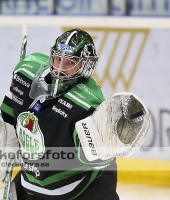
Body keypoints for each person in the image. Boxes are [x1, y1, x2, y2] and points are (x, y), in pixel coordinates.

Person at [0, 28, 120, 200]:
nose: (60, 69)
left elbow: (96, 155)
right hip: (36, 177)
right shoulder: (25, 74)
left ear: (86, 66)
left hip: (83, 184)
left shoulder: (89, 104)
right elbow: (7, 119)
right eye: (58, 59)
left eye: (70, 63)